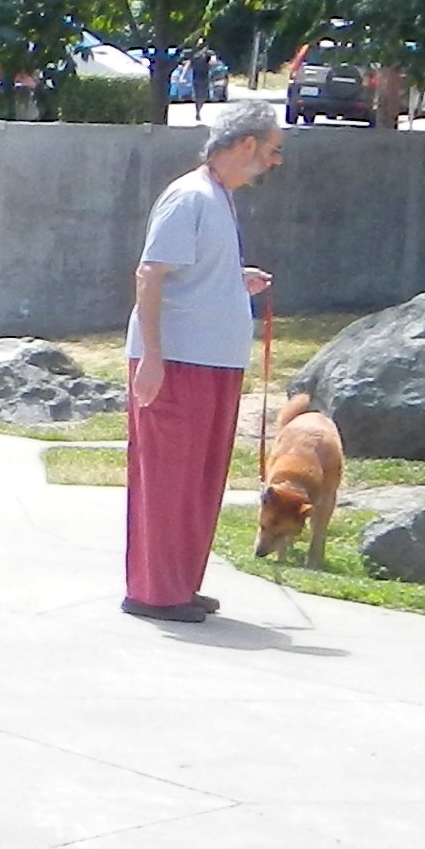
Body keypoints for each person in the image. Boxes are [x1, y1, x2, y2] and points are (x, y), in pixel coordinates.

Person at [122, 101, 285, 622]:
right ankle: (154, 592)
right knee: (169, 480)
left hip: (213, 363)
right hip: (178, 362)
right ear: (246, 145)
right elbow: (150, 274)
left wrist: (234, 280)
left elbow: (189, 274)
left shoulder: (218, 197)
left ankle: (180, 583)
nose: (275, 161)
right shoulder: (188, 196)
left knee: (200, 480)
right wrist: (151, 357)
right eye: (272, 149)